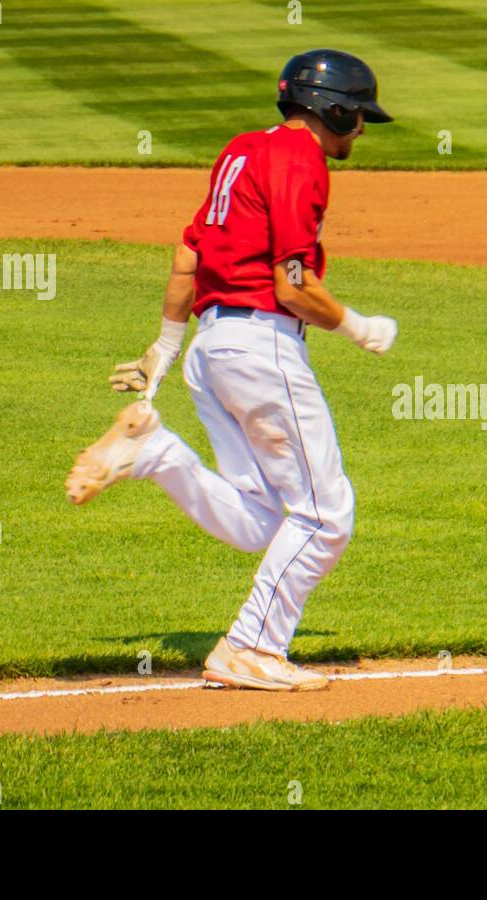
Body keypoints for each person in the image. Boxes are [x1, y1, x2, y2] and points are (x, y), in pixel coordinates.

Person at [65, 49, 397, 692]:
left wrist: (161, 347)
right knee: (328, 518)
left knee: (265, 521)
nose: (360, 130)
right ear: (331, 109)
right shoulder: (303, 163)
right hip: (260, 347)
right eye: (356, 117)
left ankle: (157, 453)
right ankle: (251, 646)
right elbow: (294, 284)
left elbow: (190, 252)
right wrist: (359, 328)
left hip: (209, 352)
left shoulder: (241, 150)